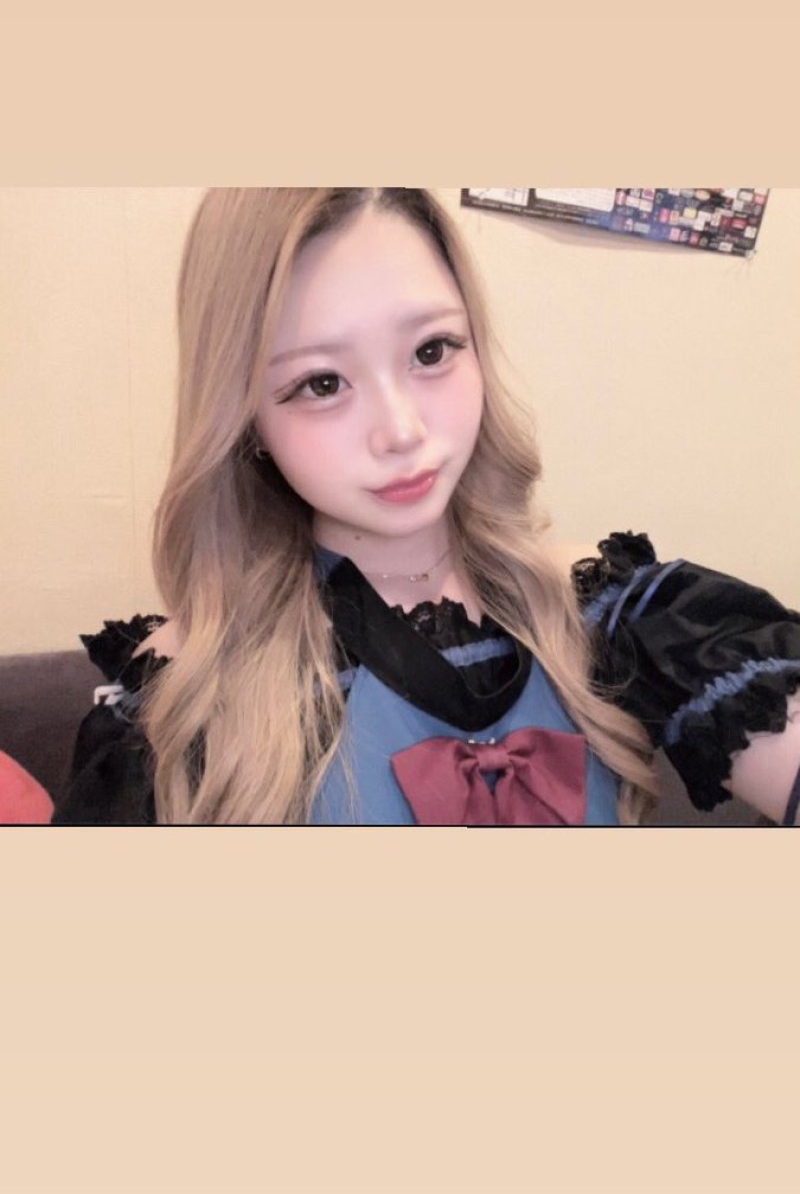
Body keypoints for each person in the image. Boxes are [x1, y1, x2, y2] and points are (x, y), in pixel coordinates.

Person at [52, 189, 800, 826]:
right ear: (243, 415)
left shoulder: (611, 612)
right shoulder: (185, 694)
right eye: (322, 383)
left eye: (433, 350)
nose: (403, 431)